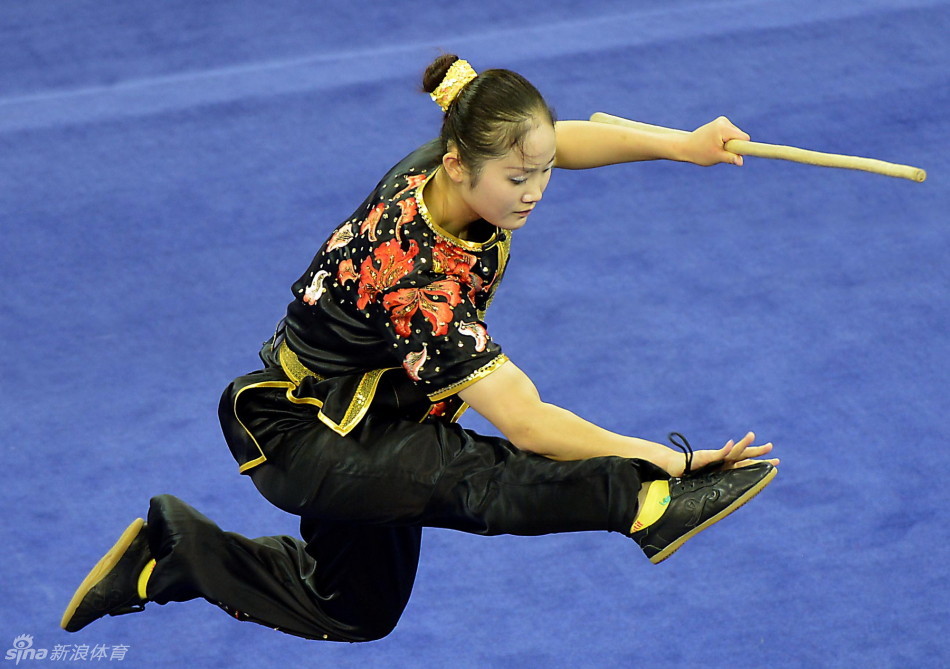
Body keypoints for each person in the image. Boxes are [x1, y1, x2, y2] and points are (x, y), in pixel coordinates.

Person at [61, 55, 779, 643]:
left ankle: (174, 553)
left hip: (379, 415)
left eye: (542, 173)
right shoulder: (418, 278)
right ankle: (645, 505)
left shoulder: (453, 163)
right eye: (518, 180)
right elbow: (526, 422)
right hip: (303, 434)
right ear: (462, 166)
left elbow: (561, 138)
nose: (535, 193)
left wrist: (681, 145)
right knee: (482, 477)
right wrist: (668, 462)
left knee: (354, 608)